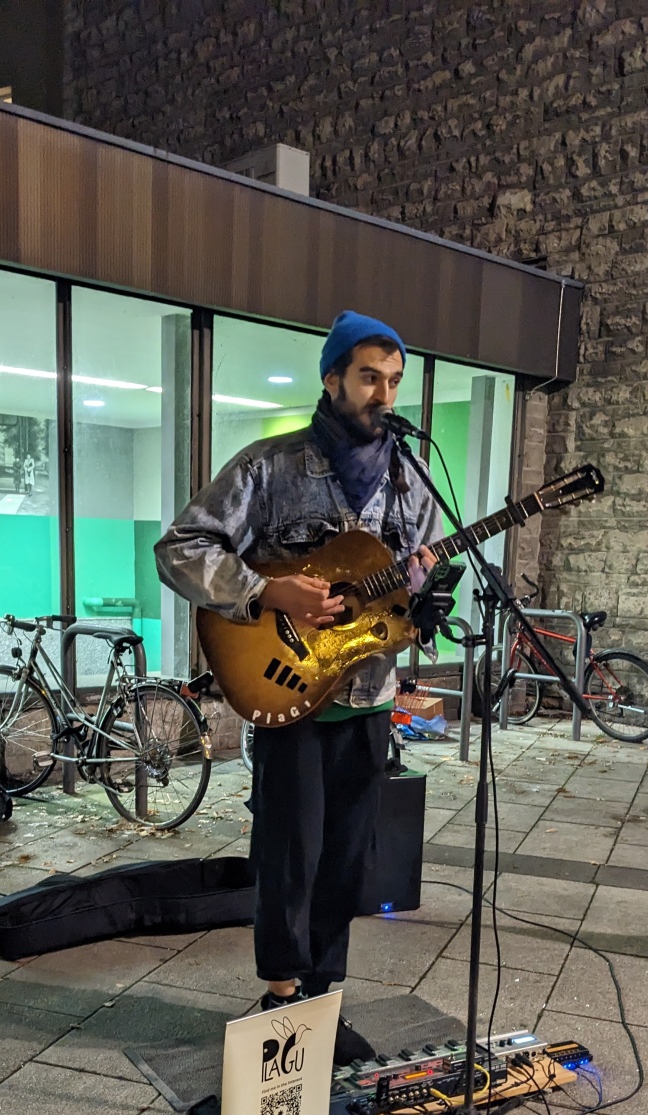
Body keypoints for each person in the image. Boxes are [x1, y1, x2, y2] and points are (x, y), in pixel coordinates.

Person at [155, 310, 440, 1064]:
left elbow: (406, 586)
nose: (384, 394)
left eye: (394, 380)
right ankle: (280, 995)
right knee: (291, 849)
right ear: (332, 377)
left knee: (348, 856)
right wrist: (265, 592)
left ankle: (322, 998)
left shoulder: (411, 478)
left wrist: (417, 594)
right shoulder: (268, 467)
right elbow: (180, 547)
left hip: (367, 693)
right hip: (286, 690)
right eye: (369, 377)